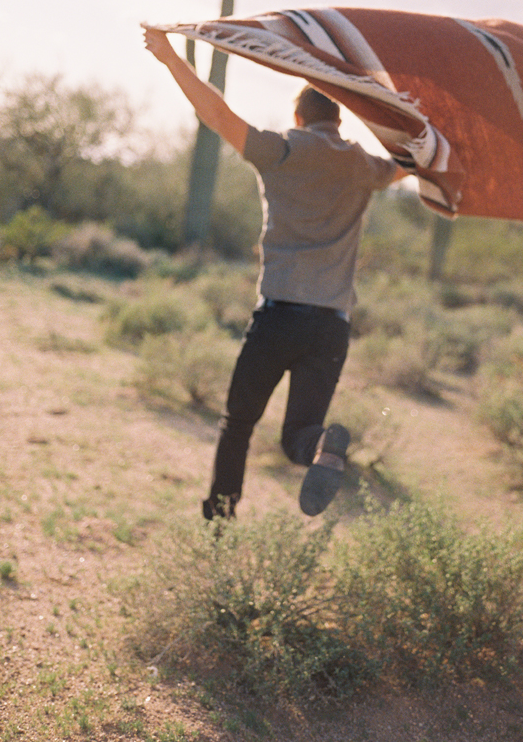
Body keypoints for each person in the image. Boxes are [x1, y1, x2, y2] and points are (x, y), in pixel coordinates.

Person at [143, 27, 406, 519]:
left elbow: (217, 115)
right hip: (331, 327)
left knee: (238, 423)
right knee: (298, 438)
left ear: (299, 116)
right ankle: (323, 443)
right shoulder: (362, 166)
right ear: (339, 118)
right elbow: (407, 167)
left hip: (279, 317)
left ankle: (221, 517)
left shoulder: (283, 150)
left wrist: (169, 58)